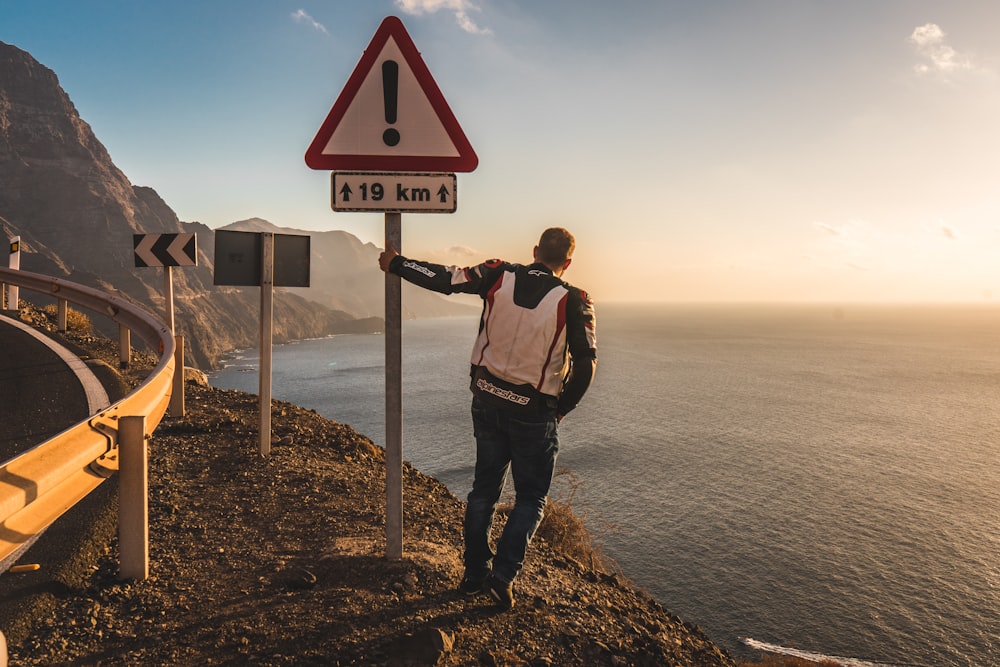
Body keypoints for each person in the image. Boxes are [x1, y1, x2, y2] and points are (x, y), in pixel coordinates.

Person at [378, 227, 597, 610]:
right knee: (531, 498)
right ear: (568, 262)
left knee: (483, 490)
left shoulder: (498, 274)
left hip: (488, 401)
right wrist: (562, 408)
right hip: (534, 413)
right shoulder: (574, 300)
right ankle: (502, 577)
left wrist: (396, 263)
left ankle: (474, 573)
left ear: (534, 251)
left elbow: (445, 279)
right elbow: (585, 367)